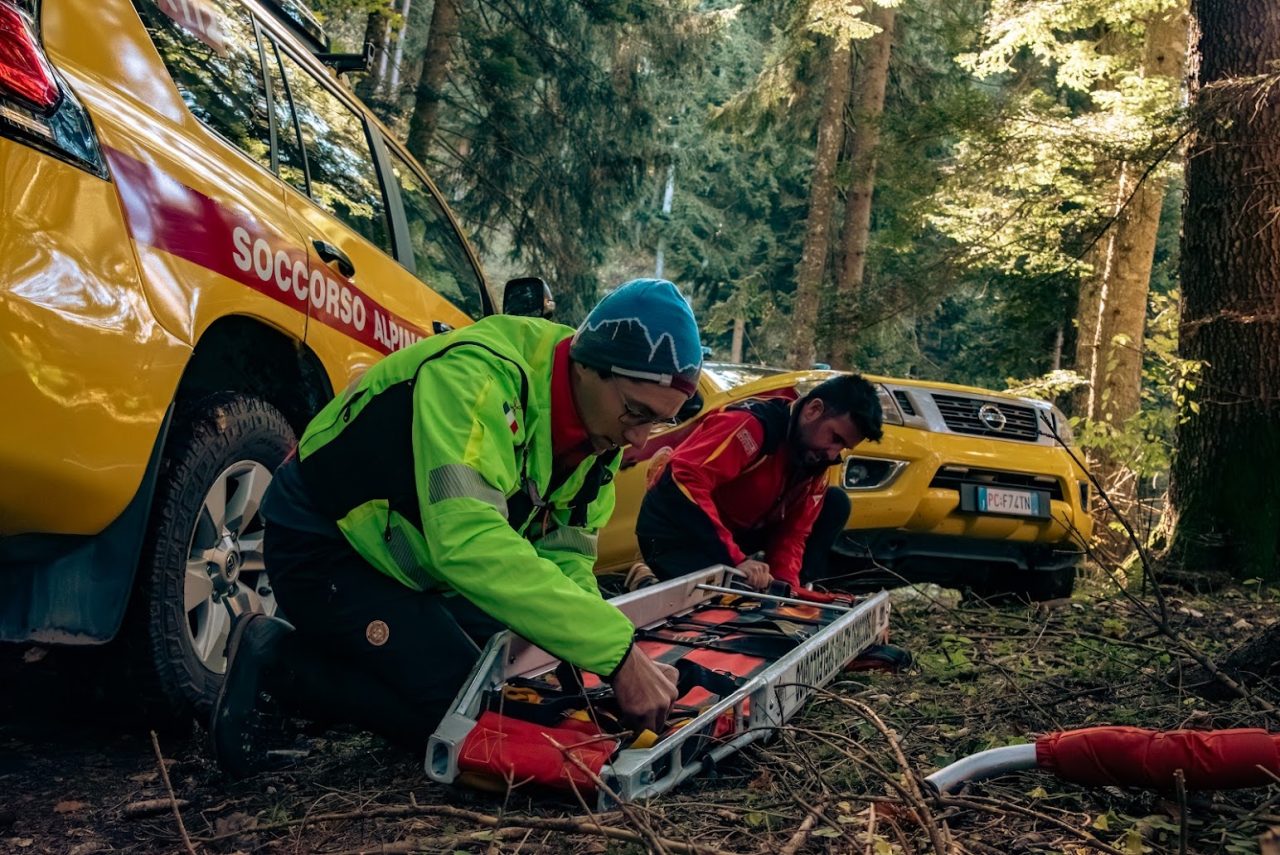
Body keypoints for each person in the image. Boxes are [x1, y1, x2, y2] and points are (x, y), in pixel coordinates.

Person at [209, 278, 703, 777]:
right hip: (323, 543)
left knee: (510, 679)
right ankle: (274, 660)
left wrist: (593, 666)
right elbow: (467, 539)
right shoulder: (479, 377)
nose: (639, 438)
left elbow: (566, 561)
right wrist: (618, 656)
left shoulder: (598, 443)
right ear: (587, 364)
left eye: (656, 422)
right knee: (460, 714)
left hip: (416, 565)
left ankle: (360, 658)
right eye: (636, 412)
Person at [635, 374, 883, 591]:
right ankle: (646, 578)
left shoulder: (816, 460)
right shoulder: (750, 425)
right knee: (723, 599)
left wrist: (785, 587)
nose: (832, 454)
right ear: (813, 410)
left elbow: (794, 534)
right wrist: (736, 561)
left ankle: (798, 594)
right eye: (835, 438)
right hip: (675, 526)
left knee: (835, 503)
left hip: (733, 534)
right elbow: (684, 481)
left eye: (842, 446)